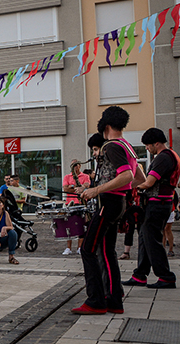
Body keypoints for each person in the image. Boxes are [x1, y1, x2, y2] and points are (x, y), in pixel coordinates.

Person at [74, 106, 142, 315]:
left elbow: (127, 176)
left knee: (87, 248)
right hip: (118, 202)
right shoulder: (127, 145)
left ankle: (96, 300)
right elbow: (140, 177)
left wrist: (96, 189)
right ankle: (113, 299)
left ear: (107, 125)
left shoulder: (111, 146)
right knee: (106, 251)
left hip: (109, 203)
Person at [122, 128, 180, 289]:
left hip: (157, 203)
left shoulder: (164, 157)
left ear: (156, 143)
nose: (147, 148)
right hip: (160, 203)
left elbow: (149, 183)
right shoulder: (170, 155)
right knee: (144, 237)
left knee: (152, 240)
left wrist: (130, 186)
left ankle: (166, 276)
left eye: (148, 145)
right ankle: (140, 274)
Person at [62, 160, 91, 255]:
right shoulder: (67, 177)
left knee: (81, 226)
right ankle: (68, 248)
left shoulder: (85, 176)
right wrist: (76, 187)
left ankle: (79, 247)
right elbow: (65, 188)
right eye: (73, 165)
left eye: (77, 165)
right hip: (70, 203)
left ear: (79, 166)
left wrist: (79, 187)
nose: (75, 167)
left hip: (81, 203)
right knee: (69, 226)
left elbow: (87, 185)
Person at [0, 196, 20, 264]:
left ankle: (11, 257)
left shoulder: (5, 213)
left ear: (3, 205)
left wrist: (5, 228)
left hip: (2, 237)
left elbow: (11, 227)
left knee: (13, 233)